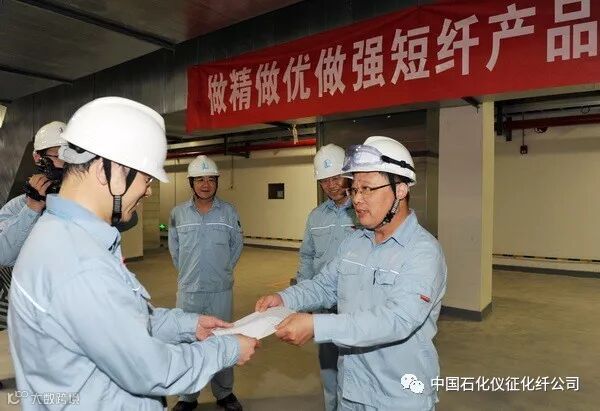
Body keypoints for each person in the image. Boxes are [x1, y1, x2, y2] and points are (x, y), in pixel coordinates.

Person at [8, 97, 259, 410]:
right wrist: (228, 350)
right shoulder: (81, 264)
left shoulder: (65, 236)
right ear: (108, 171)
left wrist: (187, 325)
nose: (148, 190)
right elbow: (151, 369)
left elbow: (124, 322)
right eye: (146, 178)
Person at [256, 136, 447, 411]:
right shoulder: (354, 243)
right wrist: (285, 299)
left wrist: (317, 325)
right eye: (355, 189)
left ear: (401, 189)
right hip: (352, 390)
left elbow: (396, 320)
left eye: (367, 188)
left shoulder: (423, 252)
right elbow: (324, 286)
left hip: (399, 396)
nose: (357, 199)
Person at [169, 155, 244, 411]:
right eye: (199, 179)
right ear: (191, 182)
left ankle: (224, 393)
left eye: (210, 179)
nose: (205, 184)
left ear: (216, 182)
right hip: (189, 291)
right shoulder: (177, 213)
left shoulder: (229, 212)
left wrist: (221, 271)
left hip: (220, 291)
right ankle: (187, 397)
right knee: (188, 343)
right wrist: (189, 273)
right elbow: (175, 249)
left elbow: (236, 246)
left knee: (223, 340)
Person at [296, 143, 357, 411]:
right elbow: (307, 256)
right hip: (324, 307)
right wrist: (304, 297)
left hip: (354, 307)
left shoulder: (362, 212)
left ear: (348, 175)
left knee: (355, 369)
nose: (331, 185)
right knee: (329, 369)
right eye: (324, 180)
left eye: (336, 178)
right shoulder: (316, 217)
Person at [0, 121, 67, 266]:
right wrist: (32, 208)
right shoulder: (18, 206)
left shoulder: (85, 202)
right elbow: (2, 255)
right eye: (59, 156)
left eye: (69, 157)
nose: (65, 163)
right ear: (38, 158)